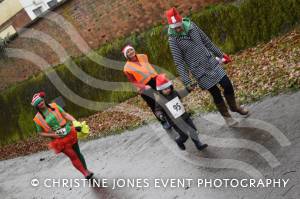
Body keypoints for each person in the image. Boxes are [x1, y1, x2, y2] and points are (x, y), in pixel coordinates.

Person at [165, 7, 249, 126]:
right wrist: (187, 81)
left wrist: (221, 55)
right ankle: (227, 117)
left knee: (227, 84)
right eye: (174, 28)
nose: (177, 29)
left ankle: (234, 106)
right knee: (216, 93)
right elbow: (179, 62)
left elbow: (207, 41)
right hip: (199, 70)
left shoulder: (192, 26)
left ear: (181, 21)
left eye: (179, 26)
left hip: (210, 61)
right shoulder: (173, 39)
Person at [32, 92, 93, 179]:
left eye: (41, 101)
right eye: (38, 103)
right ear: (36, 106)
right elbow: (40, 132)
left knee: (78, 153)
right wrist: (53, 134)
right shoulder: (37, 118)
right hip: (58, 140)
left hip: (69, 132)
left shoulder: (54, 106)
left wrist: (75, 122)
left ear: (43, 100)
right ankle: (85, 173)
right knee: (73, 156)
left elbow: (65, 114)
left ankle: (86, 169)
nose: (40, 103)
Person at [154, 74, 208, 151]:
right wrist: (160, 115)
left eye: (168, 88)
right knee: (184, 136)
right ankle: (179, 141)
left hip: (184, 116)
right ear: (160, 91)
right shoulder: (160, 100)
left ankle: (198, 144)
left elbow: (183, 92)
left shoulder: (174, 93)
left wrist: (189, 88)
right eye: (165, 89)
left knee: (193, 130)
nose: (167, 90)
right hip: (175, 121)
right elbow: (157, 110)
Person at [122, 45, 171, 129]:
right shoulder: (126, 68)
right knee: (153, 104)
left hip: (155, 80)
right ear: (126, 55)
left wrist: (159, 76)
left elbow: (150, 67)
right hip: (143, 87)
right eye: (128, 52)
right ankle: (163, 122)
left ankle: (173, 115)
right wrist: (144, 87)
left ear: (134, 50)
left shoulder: (143, 56)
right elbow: (133, 81)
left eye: (131, 50)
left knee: (164, 97)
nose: (130, 52)